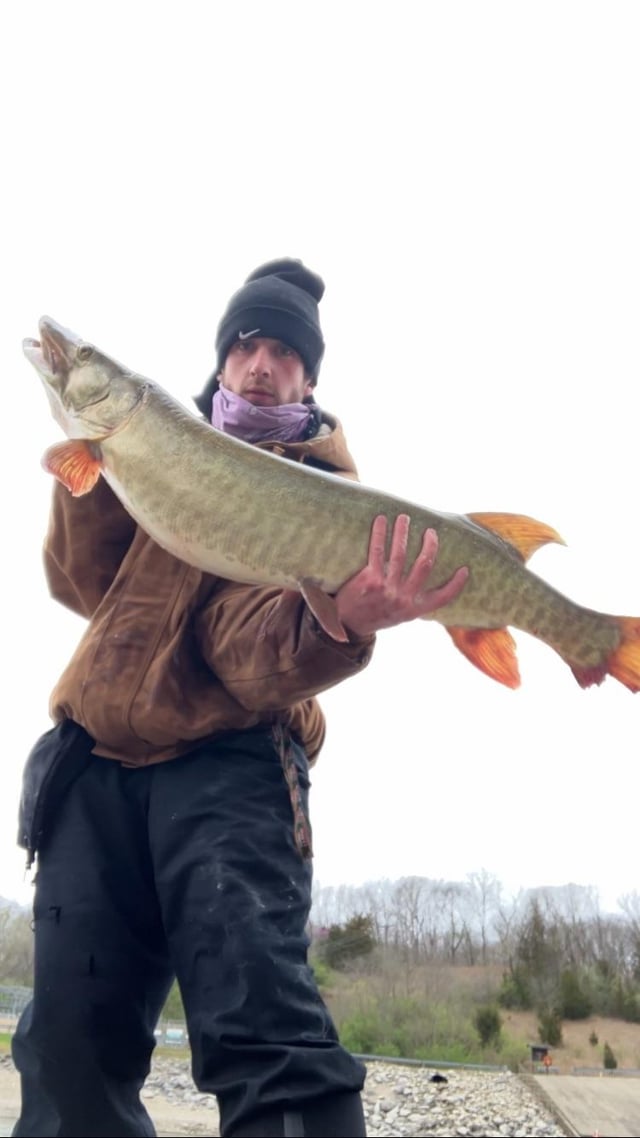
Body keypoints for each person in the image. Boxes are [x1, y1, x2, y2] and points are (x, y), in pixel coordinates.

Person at [11, 258, 468, 1138]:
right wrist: (92, 471)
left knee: (266, 1040)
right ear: (223, 360)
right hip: (93, 766)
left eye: (286, 353)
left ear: (309, 379)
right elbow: (83, 587)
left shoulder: (328, 497)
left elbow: (240, 660)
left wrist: (341, 621)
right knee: (68, 1052)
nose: (262, 364)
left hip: (230, 768)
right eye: (246, 345)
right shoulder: (159, 446)